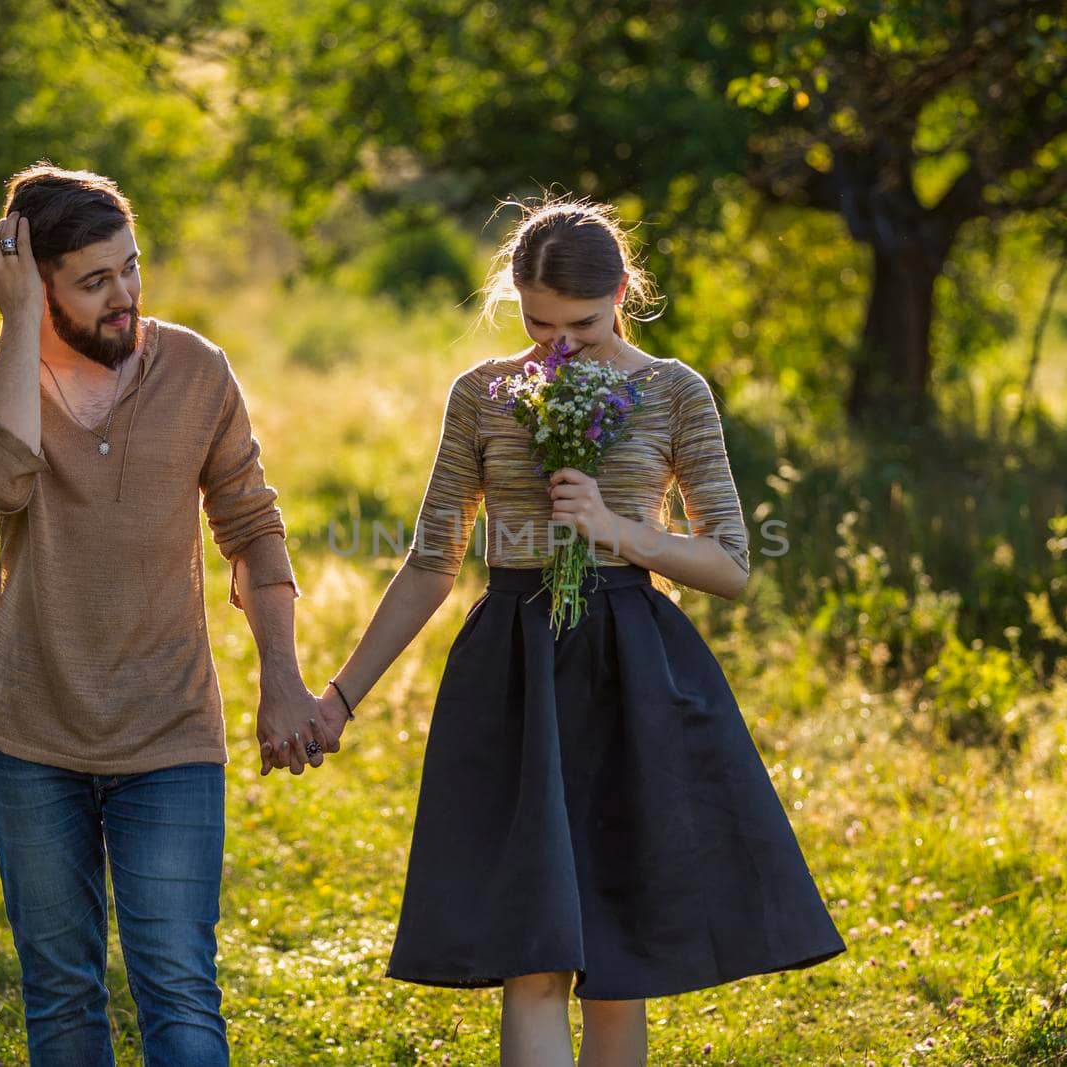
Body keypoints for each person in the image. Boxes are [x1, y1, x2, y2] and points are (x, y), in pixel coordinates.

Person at [317, 197, 845, 1066]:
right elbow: (428, 562)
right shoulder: (483, 393)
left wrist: (620, 532)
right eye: (538, 323)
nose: (559, 344)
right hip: (511, 672)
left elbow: (733, 565)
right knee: (532, 955)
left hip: (629, 669)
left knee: (617, 954)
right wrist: (341, 695)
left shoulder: (675, 390)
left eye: (584, 325)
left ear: (624, 293)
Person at [0, 162, 347, 1065]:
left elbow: (251, 523)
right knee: (62, 995)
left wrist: (282, 678)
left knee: (180, 992)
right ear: (31, 282)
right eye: (92, 281)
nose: (123, 295)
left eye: (130, 267)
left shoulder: (196, 368)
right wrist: (15, 326)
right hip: (26, 736)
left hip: (169, 736)